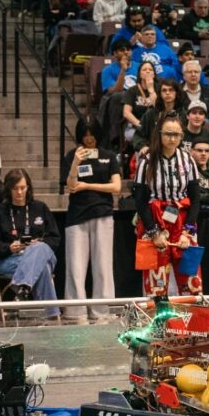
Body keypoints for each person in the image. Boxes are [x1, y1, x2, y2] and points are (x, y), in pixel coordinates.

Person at [132, 116, 201, 296]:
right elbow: (140, 200)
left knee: (192, 282)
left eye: (176, 134)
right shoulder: (146, 161)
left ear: (182, 136)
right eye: (168, 134)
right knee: (156, 284)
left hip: (184, 221)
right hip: (154, 220)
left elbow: (195, 199)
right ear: (160, 135)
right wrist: (153, 232)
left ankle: (192, 322)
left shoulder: (188, 160)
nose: (172, 138)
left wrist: (188, 232)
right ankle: (159, 323)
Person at [62, 117, 121, 322]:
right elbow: (70, 185)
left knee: (103, 266)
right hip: (76, 216)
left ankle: (102, 313)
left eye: (92, 133)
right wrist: (77, 162)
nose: (88, 138)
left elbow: (116, 187)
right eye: (85, 134)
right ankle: (76, 313)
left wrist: (88, 186)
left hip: (103, 214)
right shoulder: (71, 156)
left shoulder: (109, 156)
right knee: (76, 267)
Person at [0, 169, 61, 316]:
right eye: (15, 189)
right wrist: (9, 248)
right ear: (8, 189)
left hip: (40, 254)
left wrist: (37, 244)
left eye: (23, 188)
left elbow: (55, 238)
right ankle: (51, 315)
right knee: (42, 268)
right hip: (10, 259)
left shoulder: (40, 207)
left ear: (28, 188)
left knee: (39, 248)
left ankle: (22, 288)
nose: (19, 192)